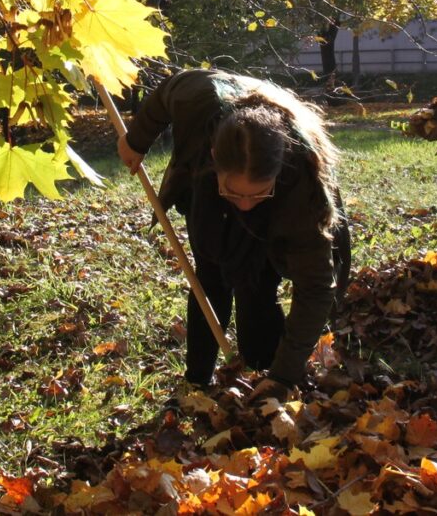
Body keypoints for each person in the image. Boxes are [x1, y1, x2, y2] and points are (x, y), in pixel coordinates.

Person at [116, 68, 351, 396]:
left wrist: (283, 377)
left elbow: (315, 287)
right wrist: (136, 139)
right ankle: (197, 379)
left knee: (258, 283)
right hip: (207, 186)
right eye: (235, 192)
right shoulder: (197, 100)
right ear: (215, 157)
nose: (245, 204)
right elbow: (168, 91)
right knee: (210, 276)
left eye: (257, 193)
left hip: (281, 198)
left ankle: (263, 366)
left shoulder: (301, 188)